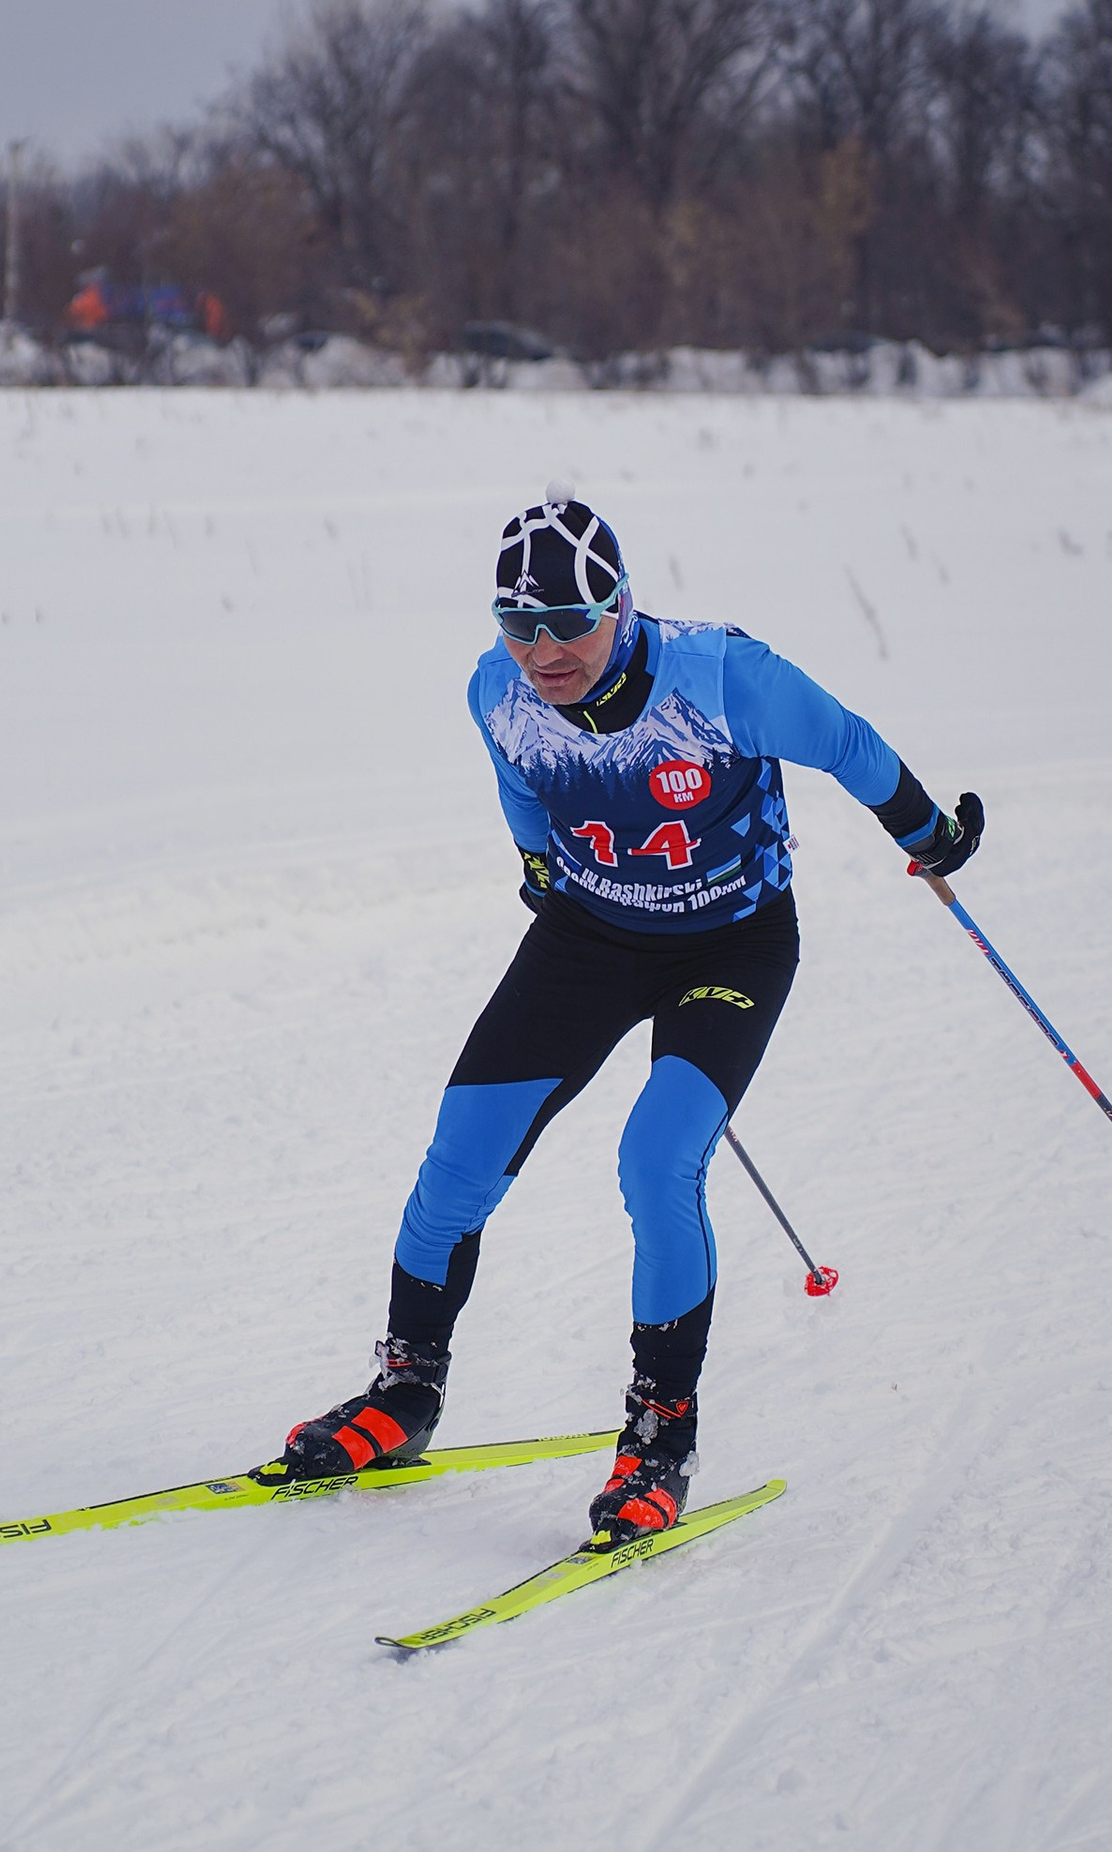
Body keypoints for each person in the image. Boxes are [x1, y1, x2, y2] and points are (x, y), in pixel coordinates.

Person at [280, 483, 983, 1544]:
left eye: (567, 621)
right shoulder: (495, 690)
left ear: (618, 604)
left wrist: (927, 833)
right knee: (456, 1161)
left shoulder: (721, 676)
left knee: (655, 1161)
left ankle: (660, 1434)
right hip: (587, 940)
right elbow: (521, 785)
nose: (542, 651)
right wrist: (535, 868)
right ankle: (405, 1392)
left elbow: (846, 743)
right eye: (518, 625)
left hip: (731, 945)